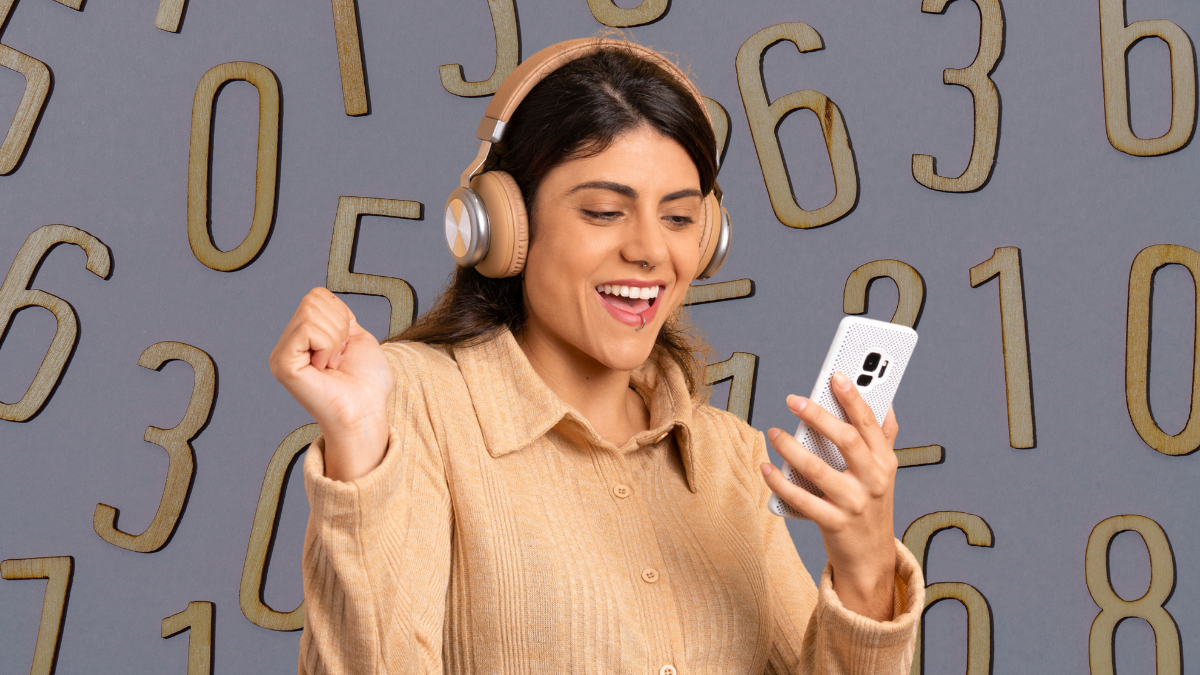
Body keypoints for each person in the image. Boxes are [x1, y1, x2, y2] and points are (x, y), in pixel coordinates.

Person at [269, 36, 924, 675]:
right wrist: (358, 446)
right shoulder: (415, 406)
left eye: (678, 218)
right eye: (606, 211)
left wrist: (864, 561)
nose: (648, 249)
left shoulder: (733, 460)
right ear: (503, 226)